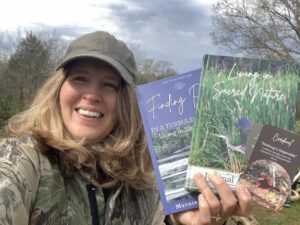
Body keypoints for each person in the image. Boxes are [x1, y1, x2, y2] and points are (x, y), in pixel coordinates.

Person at [0, 31, 252, 225]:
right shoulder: (23, 159)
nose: (92, 94)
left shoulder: (143, 179)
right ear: (58, 88)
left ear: (127, 101)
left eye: (109, 85)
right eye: (80, 78)